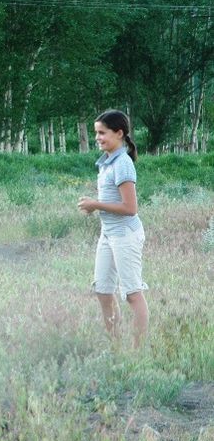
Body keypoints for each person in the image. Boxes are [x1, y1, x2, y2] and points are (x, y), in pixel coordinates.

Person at [77, 109, 149, 349]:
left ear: (119, 133)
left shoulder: (123, 164)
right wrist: (94, 206)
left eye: (102, 132)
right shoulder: (107, 162)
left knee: (131, 293)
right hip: (108, 234)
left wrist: (96, 204)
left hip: (125, 235)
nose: (97, 137)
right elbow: (112, 200)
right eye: (96, 132)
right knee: (103, 291)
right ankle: (115, 345)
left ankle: (138, 351)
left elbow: (130, 208)